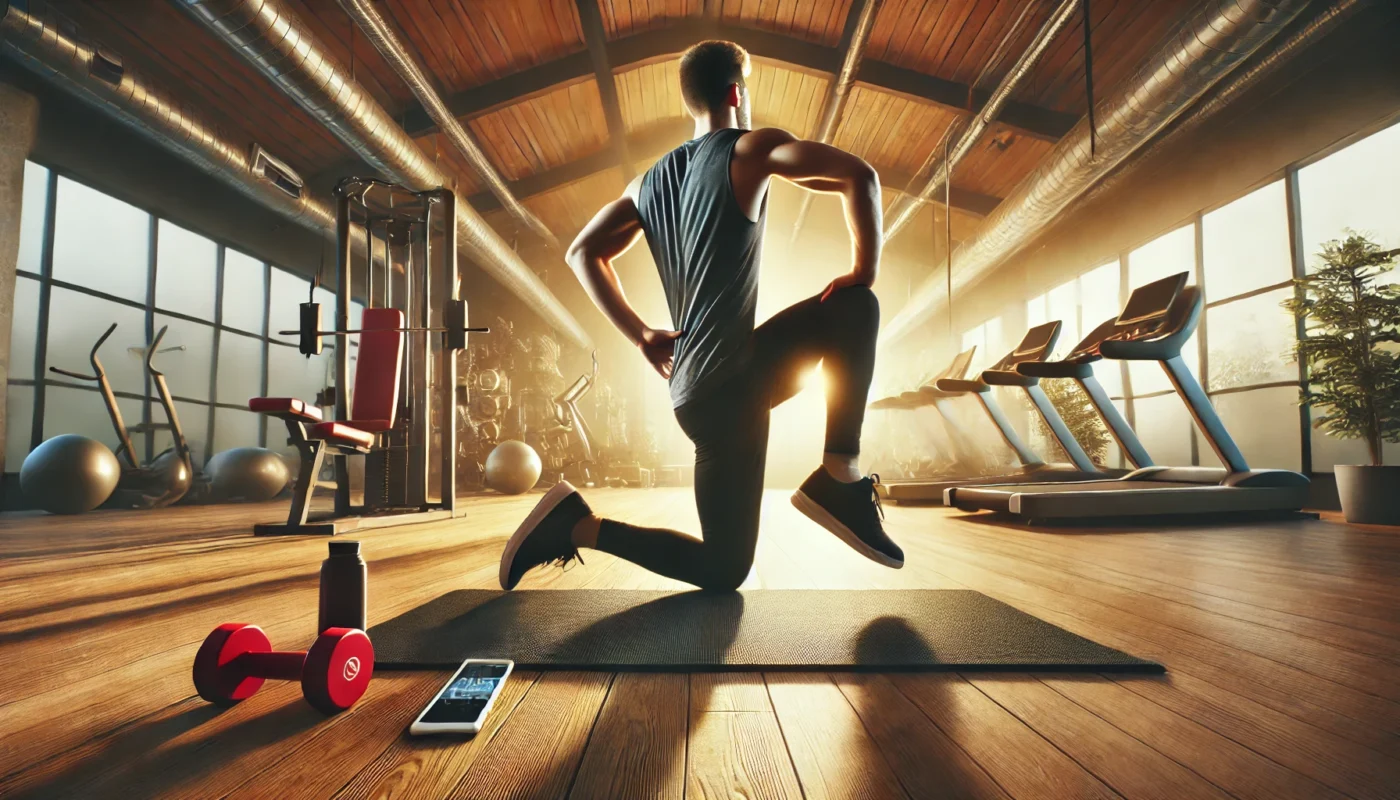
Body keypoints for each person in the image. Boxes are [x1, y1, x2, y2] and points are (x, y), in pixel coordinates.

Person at [498, 39, 901, 592]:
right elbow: (862, 177)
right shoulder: (751, 148)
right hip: (735, 385)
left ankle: (577, 526)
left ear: (692, 101)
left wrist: (641, 335)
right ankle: (840, 474)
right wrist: (864, 271)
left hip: (696, 399)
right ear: (738, 92)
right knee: (858, 306)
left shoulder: (646, 184)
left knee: (724, 568)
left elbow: (582, 252)